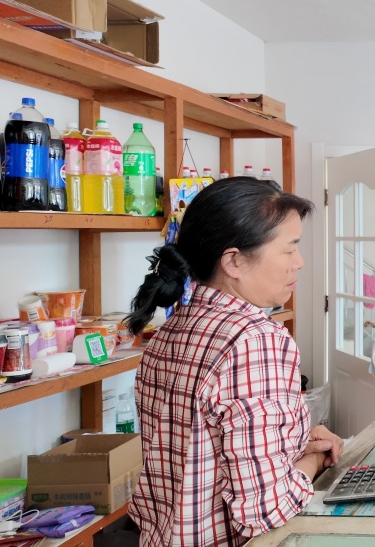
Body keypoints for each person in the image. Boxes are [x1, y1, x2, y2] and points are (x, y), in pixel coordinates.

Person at [125, 177, 344, 546]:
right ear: (234, 261)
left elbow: (204, 449)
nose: (299, 262)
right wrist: (313, 462)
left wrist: (295, 443)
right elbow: (266, 509)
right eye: (289, 249)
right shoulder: (256, 340)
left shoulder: (171, 330)